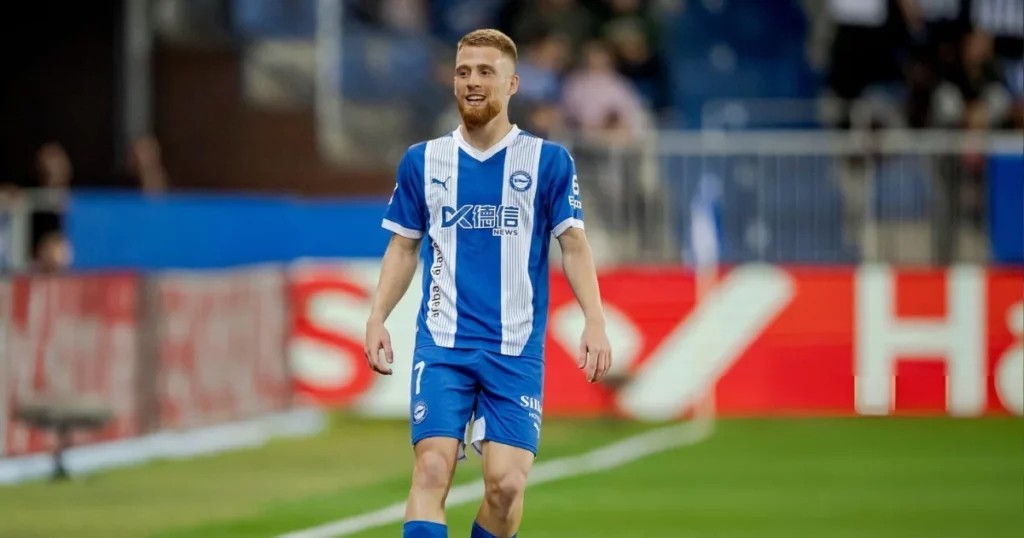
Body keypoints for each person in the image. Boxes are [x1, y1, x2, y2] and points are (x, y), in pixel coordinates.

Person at [363, 28, 612, 538]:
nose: (472, 82)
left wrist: (595, 318)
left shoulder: (548, 162)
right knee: (432, 468)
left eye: (485, 72)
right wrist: (376, 316)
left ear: (513, 83)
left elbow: (574, 245)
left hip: (515, 349)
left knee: (506, 487)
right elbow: (403, 246)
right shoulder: (422, 161)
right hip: (444, 344)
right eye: (463, 71)